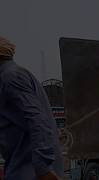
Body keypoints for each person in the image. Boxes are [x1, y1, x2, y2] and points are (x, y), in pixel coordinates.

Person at [0, 37, 63, 179]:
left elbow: (38, 120)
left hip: (27, 169)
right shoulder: (12, 75)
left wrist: (43, 168)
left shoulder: (10, 77)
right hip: (21, 165)